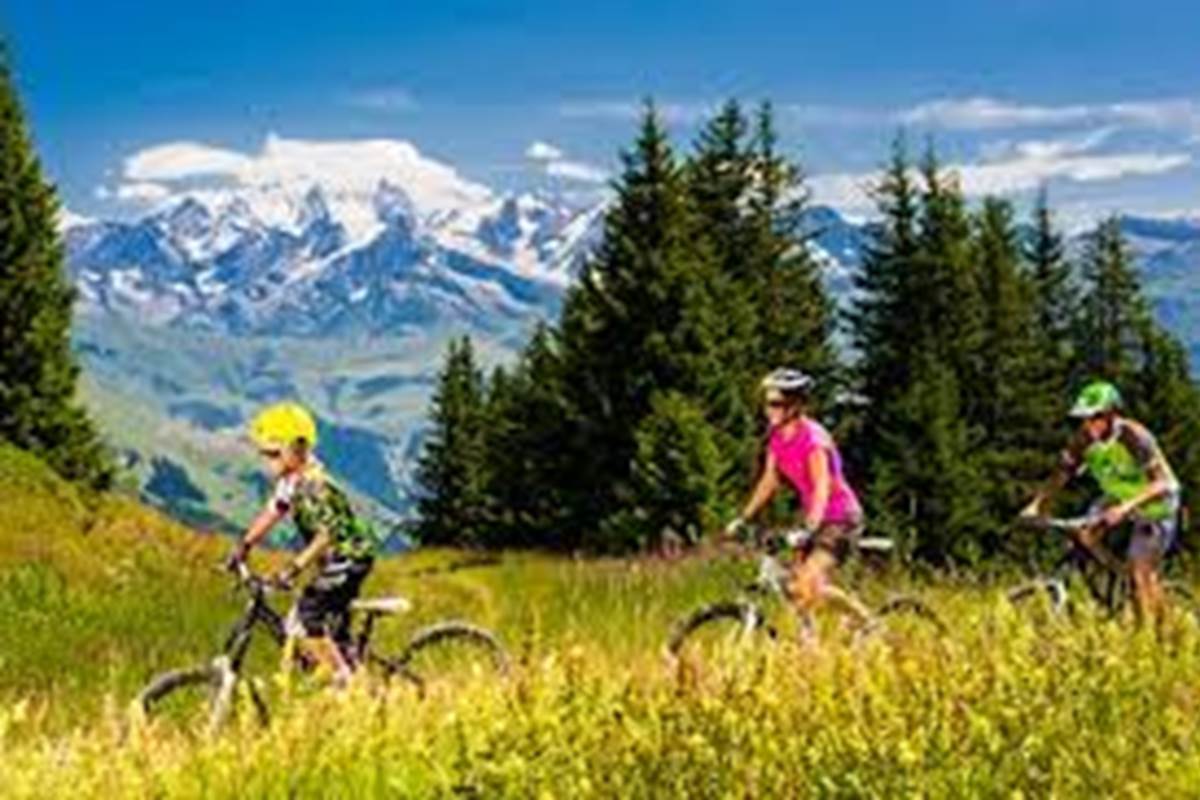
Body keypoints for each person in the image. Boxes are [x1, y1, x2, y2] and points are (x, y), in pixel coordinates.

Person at [225, 402, 380, 683]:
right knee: (329, 628)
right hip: (332, 561)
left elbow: (325, 536)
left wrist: (293, 569)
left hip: (350, 558)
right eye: (264, 454)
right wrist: (244, 545)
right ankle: (352, 670)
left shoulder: (313, 485)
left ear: (297, 449)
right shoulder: (290, 480)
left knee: (308, 613)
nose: (267, 461)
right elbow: (274, 511)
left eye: (273, 453)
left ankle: (345, 683)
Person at [724, 368, 871, 633]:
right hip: (814, 518)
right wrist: (743, 518)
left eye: (776, 403)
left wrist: (809, 526)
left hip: (840, 517)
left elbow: (822, 485)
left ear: (795, 405)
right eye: (766, 403)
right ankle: (810, 647)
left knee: (807, 583)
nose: (769, 409)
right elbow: (770, 480)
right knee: (794, 588)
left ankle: (869, 623)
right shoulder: (777, 438)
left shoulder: (813, 439)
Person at [1021, 380, 1181, 624]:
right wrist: (1038, 504)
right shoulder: (1084, 440)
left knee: (1140, 571)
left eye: (1094, 417)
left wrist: (1127, 508)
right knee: (1083, 534)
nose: (1087, 424)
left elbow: (1161, 483)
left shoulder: (1133, 436)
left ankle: (1155, 630)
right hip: (1117, 497)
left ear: (1111, 414)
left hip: (1156, 504)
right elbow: (1062, 474)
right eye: (1082, 419)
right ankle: (1117, 581)